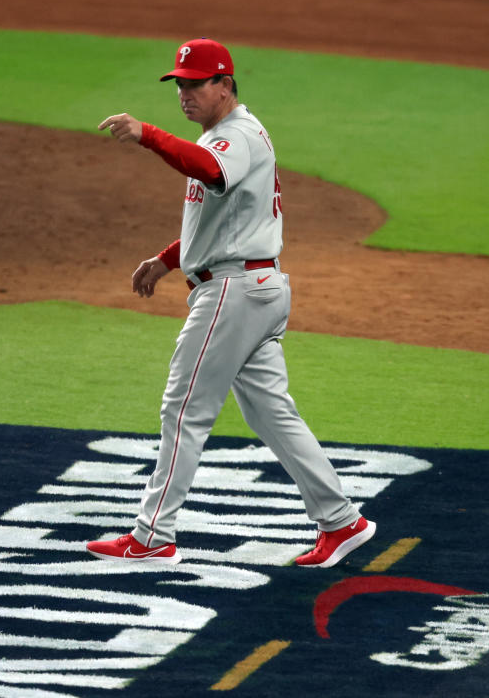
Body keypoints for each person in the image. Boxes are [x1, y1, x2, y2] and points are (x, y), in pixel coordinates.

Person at [86, 37, 375, 568]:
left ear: (226, 84)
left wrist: (147, 134)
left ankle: (152, 536)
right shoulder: (226, 137)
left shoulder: (237, 137)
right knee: (272, 414)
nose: (186, 94)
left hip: (233, 293)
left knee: (184, 407)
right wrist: (168, 260)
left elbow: (209, 170)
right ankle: (342, 521)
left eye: (197, 84)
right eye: (180, 84)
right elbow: (228, 221)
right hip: (252, 287)